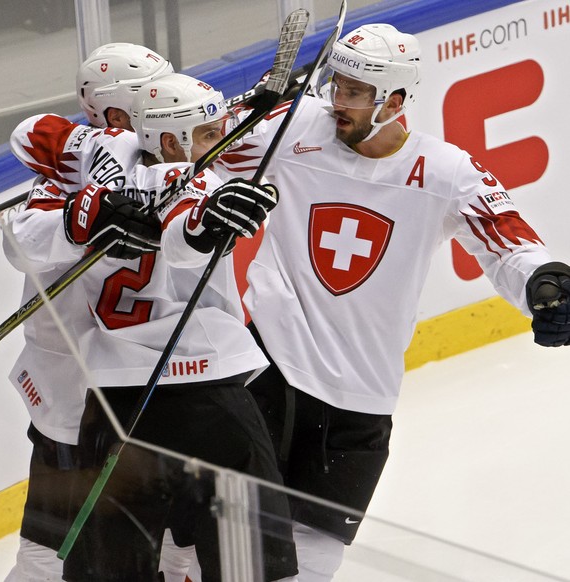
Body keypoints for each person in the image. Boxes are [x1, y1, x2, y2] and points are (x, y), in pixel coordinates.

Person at [214, 23, 570, 581]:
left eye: (356, 92)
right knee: (219, 548)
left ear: (397, 100)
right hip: (270, 370)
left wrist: (544, 282)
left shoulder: (446, 171)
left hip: (360, 400)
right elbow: (191, 141)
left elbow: (509, 242)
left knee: (308, 568)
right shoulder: (294, 129)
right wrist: (246, 108)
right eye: (336, 85)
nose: (339, 102)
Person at [10, 72, 299, 582]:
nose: (221, 144)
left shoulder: (88, 169)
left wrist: (84, 218)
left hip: (112, 402)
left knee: (112, 570)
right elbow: (188, 223)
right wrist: (203, 223)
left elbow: (30, 154)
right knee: (246, 564)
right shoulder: (194, 177)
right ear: (165, 138)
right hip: (210, 398)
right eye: (210, 135)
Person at [3, 42, 175, 582]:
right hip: (78, 396)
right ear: (122, 112)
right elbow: (22, 244)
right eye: (155, 95)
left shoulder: (171, 164)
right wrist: (83, 220)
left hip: (145, 388)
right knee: (51, 552)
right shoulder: (65, 180)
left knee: (159, 547)